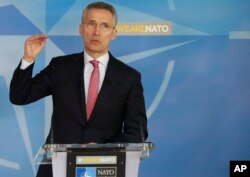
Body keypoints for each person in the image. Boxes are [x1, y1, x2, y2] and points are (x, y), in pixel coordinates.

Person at [9, 1, 148, 177]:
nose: (96, 32)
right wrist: (28, 59)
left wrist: (103, 149)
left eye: (104, 25)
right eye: (91, 24)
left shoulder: (128, 77)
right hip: (57, 167)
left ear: (114, 33)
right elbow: (19, 96)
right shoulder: (59, 67)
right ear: (81, 29)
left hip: (105, 168)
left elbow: (137, 133)